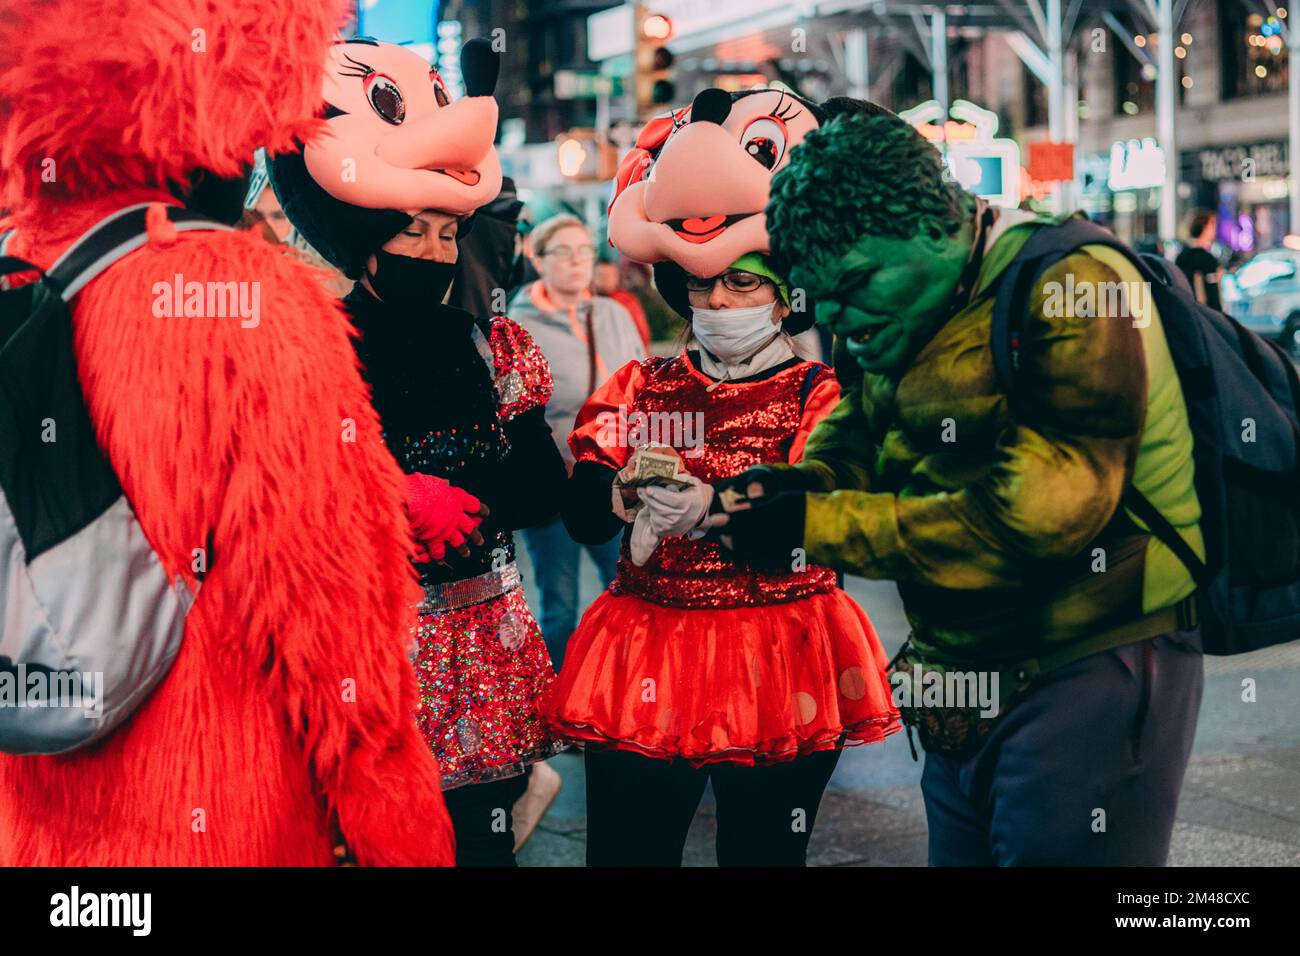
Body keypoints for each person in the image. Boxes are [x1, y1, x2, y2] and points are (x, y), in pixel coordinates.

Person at [0, 0, 454, 865]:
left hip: (35, 820)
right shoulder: (250, 303)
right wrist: (400, 830)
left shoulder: (17, 270)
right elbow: (333, 626)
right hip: (217, 818)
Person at [721, 111, 1205, 866]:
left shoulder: (1077, 283)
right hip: (961, 677)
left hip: (1089, 664)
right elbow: (861, 430)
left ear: (930, 227)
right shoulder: (912, 301)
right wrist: (788, 489)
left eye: (855, 286)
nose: (841, 325)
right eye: (824, 300)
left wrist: (815, 523)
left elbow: (1040, 517)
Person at [544, 91, 900, 868]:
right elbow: (581, 515)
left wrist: (717, 507)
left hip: (781, 653)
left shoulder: (820, 393)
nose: (718, 302)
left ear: (782, 292)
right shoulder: (638, 383)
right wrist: (617, 494)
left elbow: (824, 504)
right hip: (645, 651)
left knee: (765, 855)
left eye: (742, 284)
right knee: (628, 856)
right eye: (703, 287)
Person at [269, 37, 568, 866]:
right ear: (365, 238)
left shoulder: (489, 344)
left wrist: (476, 500)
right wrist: (393, 499)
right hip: (374, 658)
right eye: (415, 232)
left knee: (486, 840)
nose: (436, 255)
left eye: (448, 234)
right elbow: (290, 510)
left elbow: (542, 491)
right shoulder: (316, 351)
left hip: (488, 649)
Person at [509, 213, 646, 669]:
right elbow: (513, 410)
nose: (575, 261)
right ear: (539, 259)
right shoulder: (517, 324)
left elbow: (641, 383)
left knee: (627, 588)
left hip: (616, 479)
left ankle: (621, 694)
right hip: (556, 482)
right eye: (562, 251)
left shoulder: (613, 313)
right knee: (559, 602)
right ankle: (561, 701)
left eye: (584, 250)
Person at [594, 256, 652, 349]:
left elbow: (642, 333)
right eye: (601, 275)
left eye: (609, 275)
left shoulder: (628, 301)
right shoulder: (586, 301)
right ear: (593, 278)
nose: (605, 279)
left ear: (616, 277)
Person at [1175, 209, 1222, 310]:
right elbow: (1212, 294)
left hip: (1187, 310)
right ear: (1204, 228)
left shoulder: (1182, 255)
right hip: (1204, 313)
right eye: (1212, 225)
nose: (1215, 230)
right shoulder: (1205, 258)